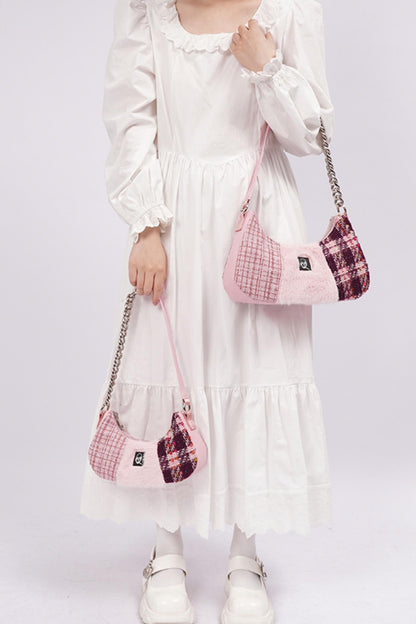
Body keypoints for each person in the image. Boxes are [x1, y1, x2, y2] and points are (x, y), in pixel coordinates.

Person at [80, 0, 335, 622]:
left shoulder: (288, 9)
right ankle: (166, 552)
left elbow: (309, 135)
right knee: (171, 373)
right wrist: (145, 224)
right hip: (175, 217)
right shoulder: (149, 12)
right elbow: (130, 120)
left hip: (258, 218)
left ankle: (246, 556)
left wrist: (267, 68)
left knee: (255, 369)